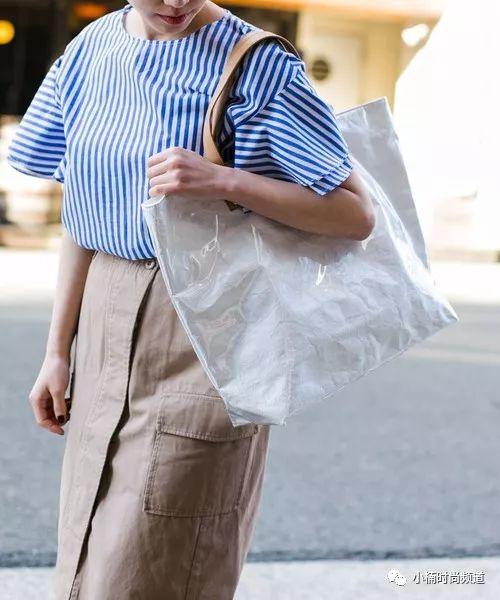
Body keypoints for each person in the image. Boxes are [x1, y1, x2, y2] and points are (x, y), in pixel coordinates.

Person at [6, 1, 374, 598]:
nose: (177, 2)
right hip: (104, 314)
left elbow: (356, 215)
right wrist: (57, 350)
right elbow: (84, 208)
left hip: (204, 326)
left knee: (156, 564)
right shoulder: (92, 49)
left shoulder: (258, 66)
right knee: (87, 556)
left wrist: (224, 180)